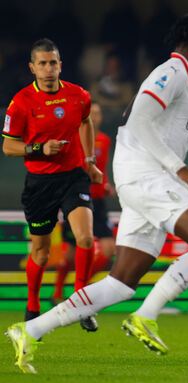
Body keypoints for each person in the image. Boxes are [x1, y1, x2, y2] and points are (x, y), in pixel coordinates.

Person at [6, 14, 188, 374]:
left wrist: (183, 187)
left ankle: (29, 329)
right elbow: (139, 120)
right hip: (145, 176)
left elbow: (158, 132)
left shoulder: (182, 79)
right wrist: (179, 170)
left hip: (147, 180)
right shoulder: (171, 72)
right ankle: (146, 317)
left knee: (121, 283)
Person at [2, 38, 102, 333]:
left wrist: (90, 160)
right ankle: (33, 306)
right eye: (42, 64)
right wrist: (38, 149)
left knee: (85, 239)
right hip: (40, 183)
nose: (48, 69)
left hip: (73, 177)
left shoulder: (78, 95)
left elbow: (86, 122)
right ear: (32, 68)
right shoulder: (21, 102)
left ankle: (81, 302)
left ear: (61, 65)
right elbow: (8, 146)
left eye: (53, 63)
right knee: (42, 254)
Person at [52, 103, 116, 305]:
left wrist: (106, 184)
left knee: (108, 250)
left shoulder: (105, 140)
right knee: (70, 253)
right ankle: (57, 294)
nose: (95, 116)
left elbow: (102, 167)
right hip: (77, 200)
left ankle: (81, 286)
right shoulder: (72, 138)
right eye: (92, 113)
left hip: (99, 202)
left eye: (98, 113)